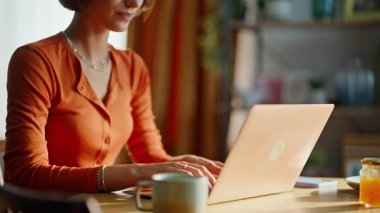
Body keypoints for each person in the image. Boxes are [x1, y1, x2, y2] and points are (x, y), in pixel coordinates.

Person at [4, 0, 223, 193]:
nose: (134, 3)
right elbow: (25, 175)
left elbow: (150, 157)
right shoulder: (37, 61)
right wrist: (137, 173)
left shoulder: (132, 67)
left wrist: (185, 165)